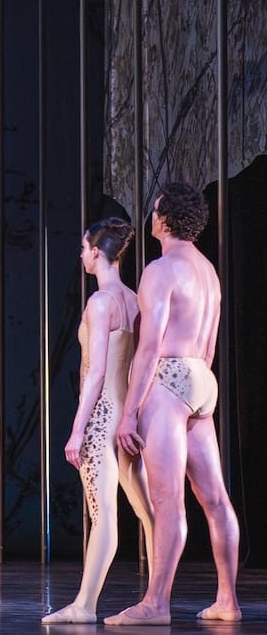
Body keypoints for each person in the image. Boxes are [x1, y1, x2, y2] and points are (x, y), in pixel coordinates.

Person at [106, 183, 241, 625]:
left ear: (164, 218)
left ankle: (156, 604)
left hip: (169, 378)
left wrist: (130, 412)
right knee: (216, 501)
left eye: (155, 208)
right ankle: (227, 600)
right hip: (203, 378)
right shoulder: (207, 271)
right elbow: (211, 341)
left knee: (169, 504)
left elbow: (149, 347)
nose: (151, 214)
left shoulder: (162, 270)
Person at [42, 219, 154, 624]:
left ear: (95, 252)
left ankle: (85, 605)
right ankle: (158, 599)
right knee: (146, 510)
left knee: (104, 513)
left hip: (103, 415)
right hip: (128, 415)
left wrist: (77, 429)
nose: (81, 255)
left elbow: (95, 371)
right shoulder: (133, 298)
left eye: (83, 248)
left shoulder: (101, 302)